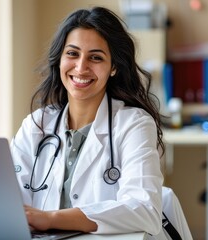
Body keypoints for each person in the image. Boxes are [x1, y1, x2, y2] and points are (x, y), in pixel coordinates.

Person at [11, 6, 165, 237]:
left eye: (95, 57)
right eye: (72, 53)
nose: (81, 67)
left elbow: (144, 209)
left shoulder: (133, 124)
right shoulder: (37, 125)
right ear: (60, 60)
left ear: (113, 67)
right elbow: (9, 201)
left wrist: (50, 218)